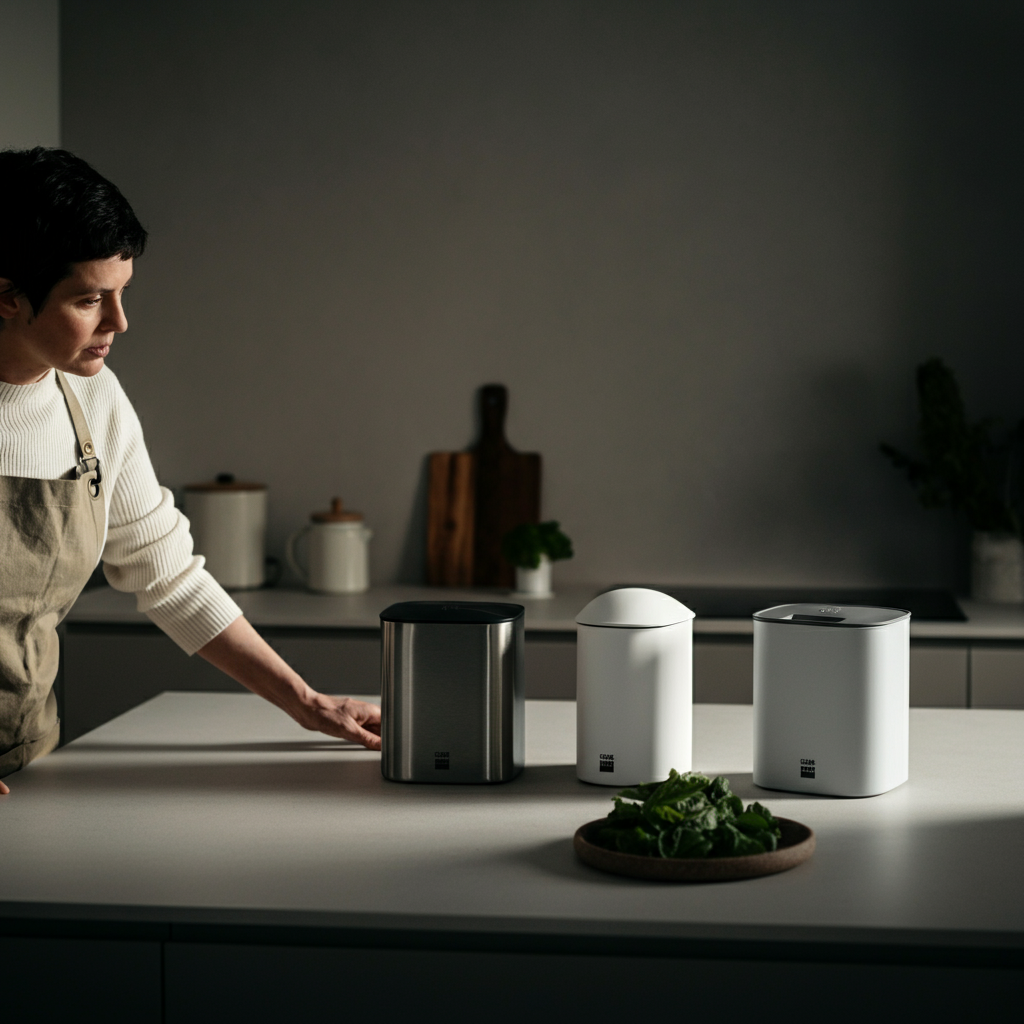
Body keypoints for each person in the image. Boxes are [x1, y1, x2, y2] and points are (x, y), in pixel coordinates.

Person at [0, 148, 381, 794]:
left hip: (30, 757)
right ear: (7, 297)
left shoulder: (95, 401)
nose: (119, 323)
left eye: (121, 294)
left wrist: (309, 704)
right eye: (90, 299)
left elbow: (167, 573)